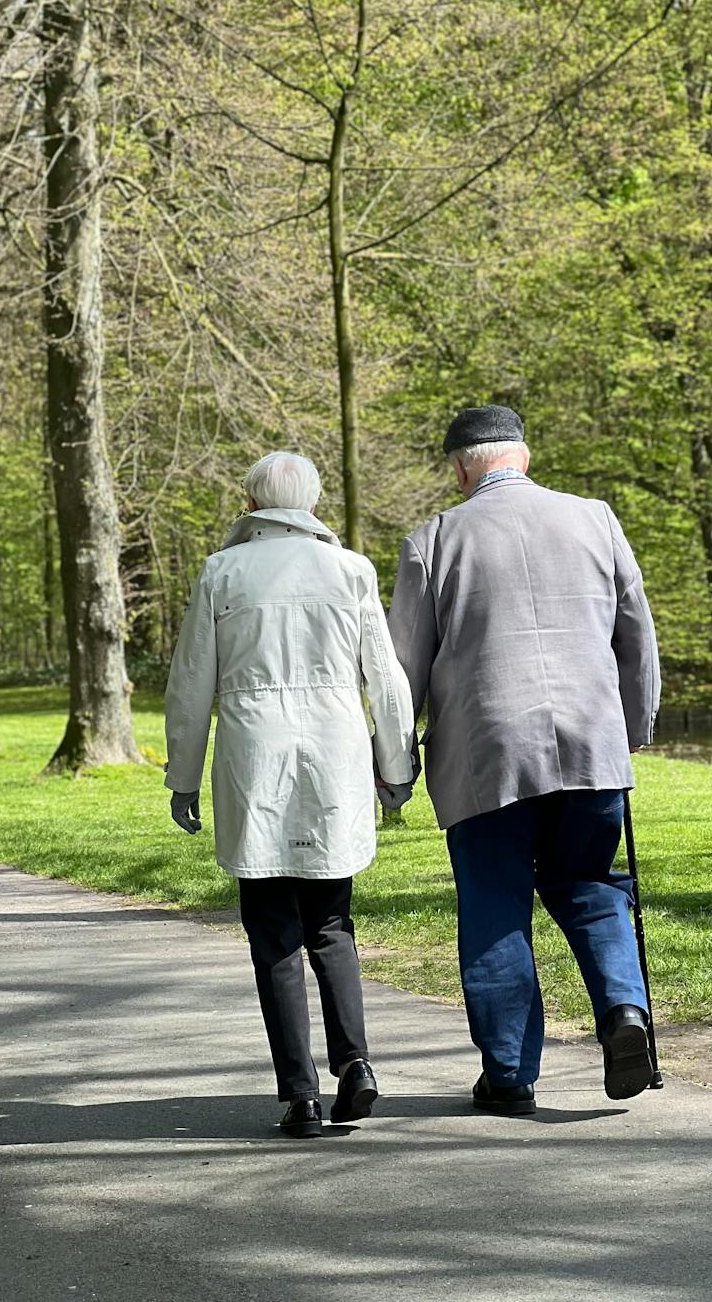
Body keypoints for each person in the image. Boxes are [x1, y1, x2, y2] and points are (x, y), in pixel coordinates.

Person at [386, 405, 661, 1115]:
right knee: (594, 886)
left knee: (495, 903)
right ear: (524, 456)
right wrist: (633, 726)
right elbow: (637, 633)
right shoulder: (595, 518)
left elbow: (402, 670)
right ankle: (625, 1012)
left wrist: (393, 766)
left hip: (487, 753)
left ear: (459, 468)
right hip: (590, 744)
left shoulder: (433, 540)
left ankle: (509, 1074)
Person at [164, 451, 415, 1139]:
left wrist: (182, 775)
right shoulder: (350, 569)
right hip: (335, 754)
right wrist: (396, 767)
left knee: (273, 929)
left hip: (254, 756)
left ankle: (300, 1095)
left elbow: (191, 685)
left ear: (251, 504)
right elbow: (385, 680)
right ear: (312, 505)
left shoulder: (222, 573)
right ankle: (356, 1065)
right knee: (332, 924)